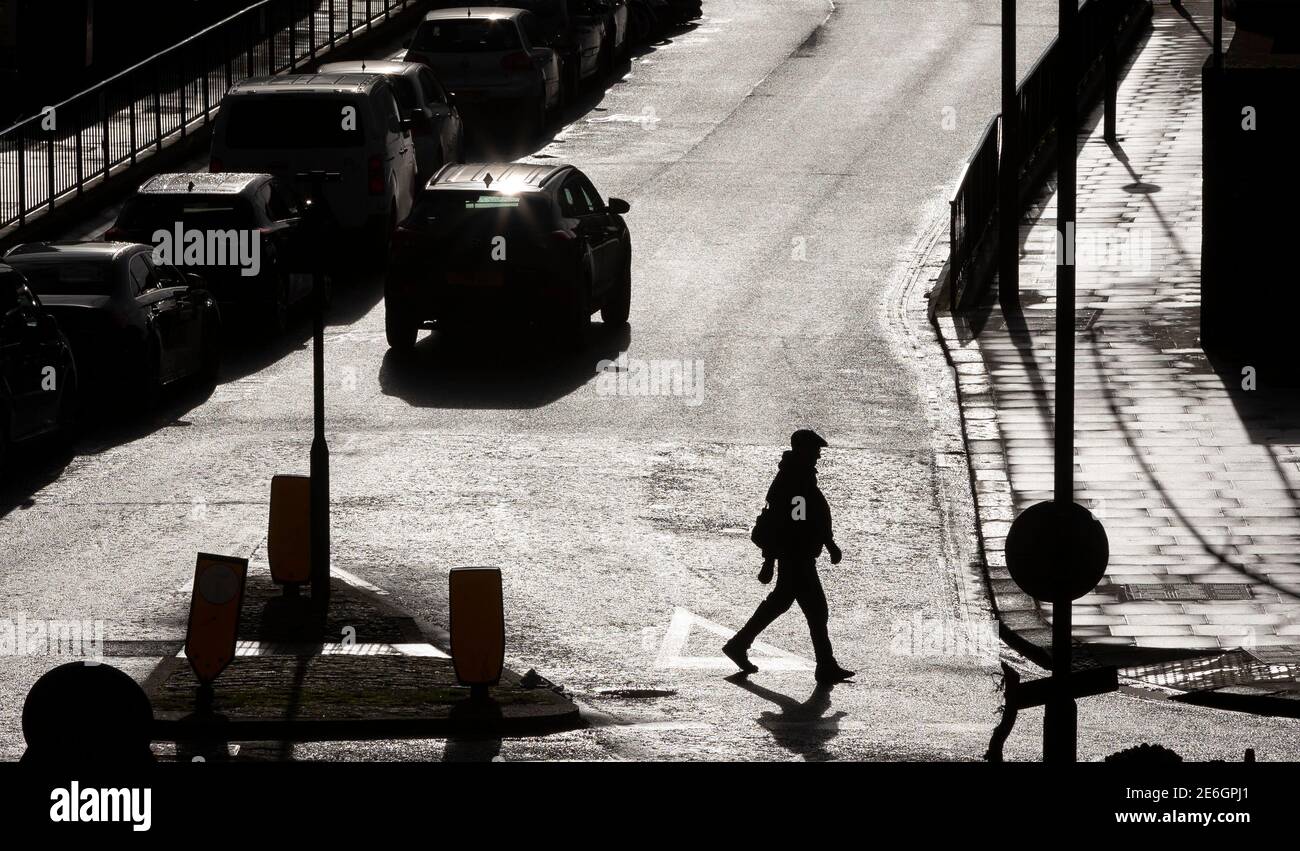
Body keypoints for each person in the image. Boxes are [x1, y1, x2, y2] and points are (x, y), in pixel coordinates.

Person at [723, 429, 855, 684]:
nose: (818, 455)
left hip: (796, 554)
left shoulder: (798, 475)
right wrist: (774, 559)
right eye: (815, 450)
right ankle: (825, 665)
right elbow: (796, 523)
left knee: (782, 603)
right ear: (803, 450)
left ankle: (739, 644)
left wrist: (826, 543)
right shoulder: (795, 480)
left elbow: (804, 518)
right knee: (816, 610)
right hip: (798, 556)